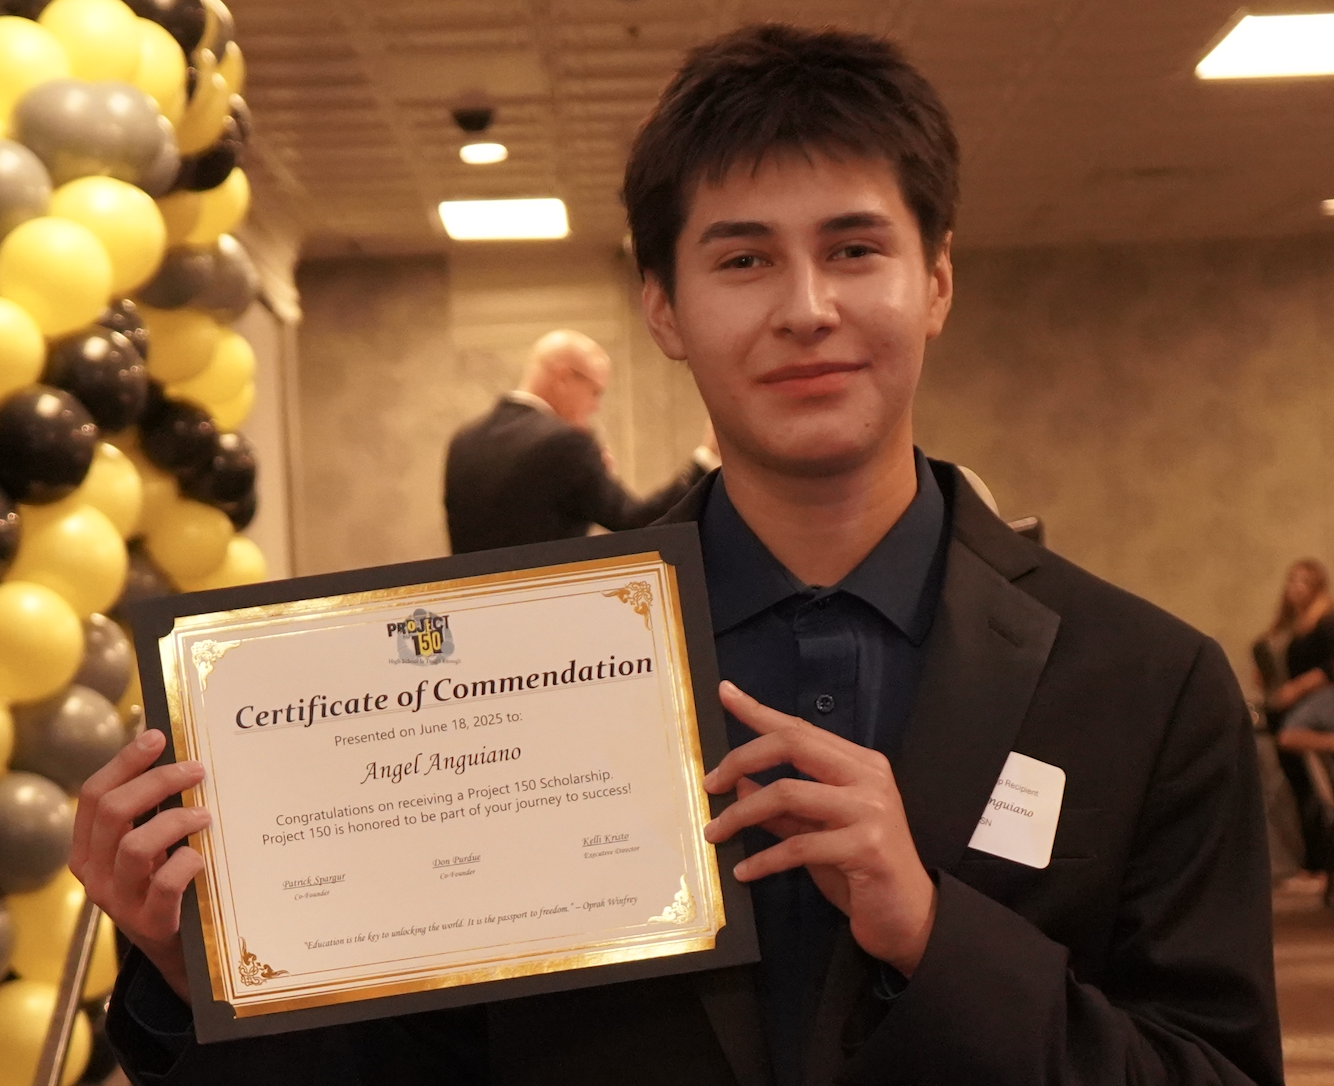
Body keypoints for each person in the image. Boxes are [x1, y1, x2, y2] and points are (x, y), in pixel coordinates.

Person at [77, 24, 1281, 1086]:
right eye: (743, 258)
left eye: (855, 249)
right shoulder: (485, 680)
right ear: (662, 307)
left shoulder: (1145, 684)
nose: (805, 307)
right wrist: (202, 973)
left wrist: (928, 930)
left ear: (936, 281)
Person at [444, 328, 718, 553]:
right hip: (545, 609)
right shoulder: (566, 443)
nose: (595, 406)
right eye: (595, 392)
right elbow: (640, 526)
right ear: (563, 378)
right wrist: (705, 457)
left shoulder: (464, 441)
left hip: (474, 611)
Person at [1257, 558, 1334, 886]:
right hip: (1299, 710)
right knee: (1305, 791)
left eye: (1303, 581)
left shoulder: (1327, 621)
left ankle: (1318, 863)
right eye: (1292, 581)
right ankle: (1313, 864)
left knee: (1315, 790)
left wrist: (1299, 688)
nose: (1295, 588)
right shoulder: (1290, 627)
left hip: (1318, 709)